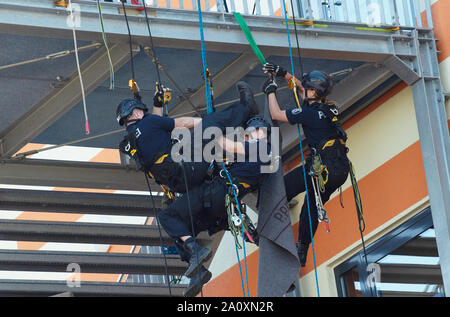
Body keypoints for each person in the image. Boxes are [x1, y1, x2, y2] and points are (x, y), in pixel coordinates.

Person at [157, 115, 271, 297]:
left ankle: (197, 258)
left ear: (259, 132)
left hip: (218, 193)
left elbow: (230, 146)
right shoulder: (255, 158)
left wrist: (210, 130)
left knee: (167, 216)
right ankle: (197, 268)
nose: (246, 139)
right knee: (181, 232)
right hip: (223, 203)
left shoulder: (263, 146)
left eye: (248, 136)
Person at [262, 63, 350, 267]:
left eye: (308, 89)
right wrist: (284, 74)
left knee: (282, 188)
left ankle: (268, 226)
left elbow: (276, 114)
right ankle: (302, 249)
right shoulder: (330, 107)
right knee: (311, 204)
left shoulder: (307, 114)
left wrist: (270, 90)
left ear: (313, 92)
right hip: (337, 170)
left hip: (321, 170)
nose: (304, 91)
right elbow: (301, 88)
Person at [117, 81, 260, 194]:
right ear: (136, 114)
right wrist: (210, 122)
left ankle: (245, 145)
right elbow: (184, 123)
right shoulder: (148, 123)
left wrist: (158, 105)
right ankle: (246, 108)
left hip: (179, 184)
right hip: (187, 167)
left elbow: (159, 127)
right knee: (208, 127)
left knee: (205, 140)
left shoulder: (130, 143)